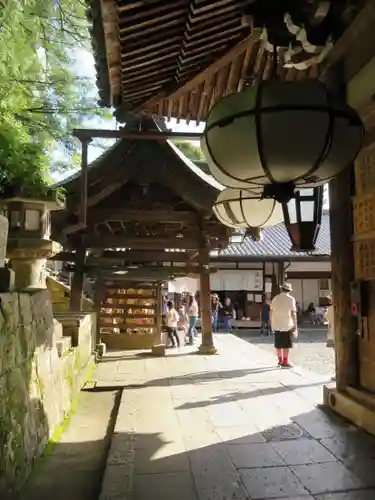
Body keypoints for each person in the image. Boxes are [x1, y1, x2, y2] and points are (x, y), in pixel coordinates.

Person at [270, 282, 297, 368]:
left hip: (277, 323)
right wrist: (295, 324)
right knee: (286, 345)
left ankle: (280, 361)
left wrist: (271, 322)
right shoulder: (291, 299)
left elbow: (271, 311)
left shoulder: (275, 298)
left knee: (278, 344)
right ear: (289, 290)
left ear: (282, 289)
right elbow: (293, 313)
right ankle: (285, 361)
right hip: (287, 324)